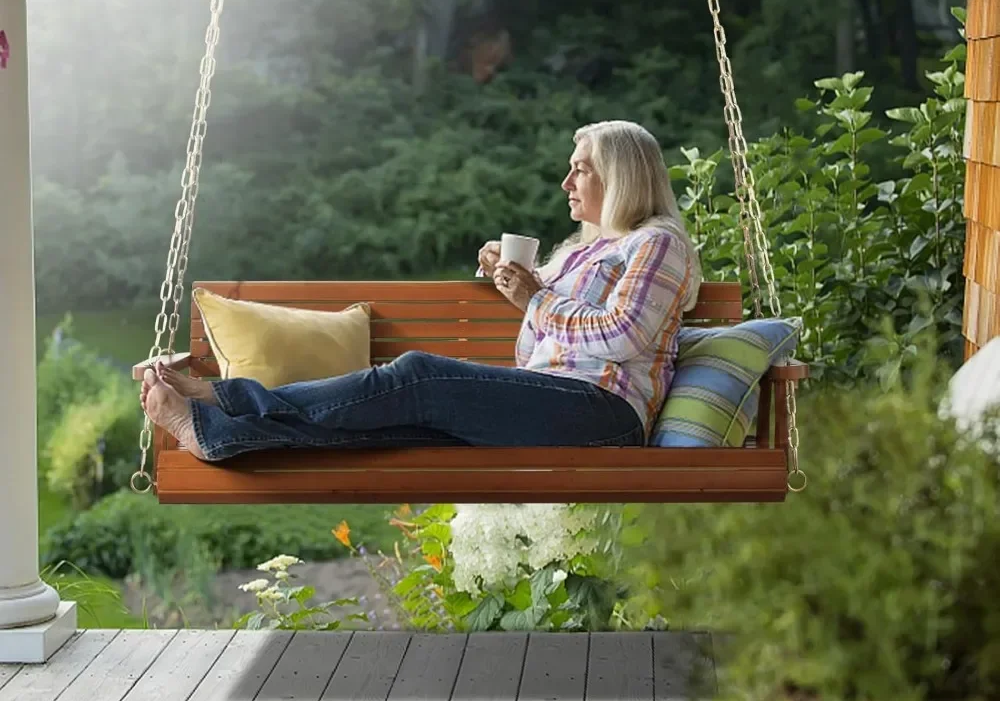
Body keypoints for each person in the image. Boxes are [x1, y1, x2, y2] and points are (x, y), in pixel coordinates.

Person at [140, 119, 703, 461]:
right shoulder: (579, 251)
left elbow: (625, 335)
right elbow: (533, 356)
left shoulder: (656, 243)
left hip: (604, 415)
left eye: (580, 169)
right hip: (556, 401)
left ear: (621, 174)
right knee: (399, 422)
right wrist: (520, 288)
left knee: (417, 374)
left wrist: (535, 298)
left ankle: (226, 396)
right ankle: (215, 435)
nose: (566, 183)